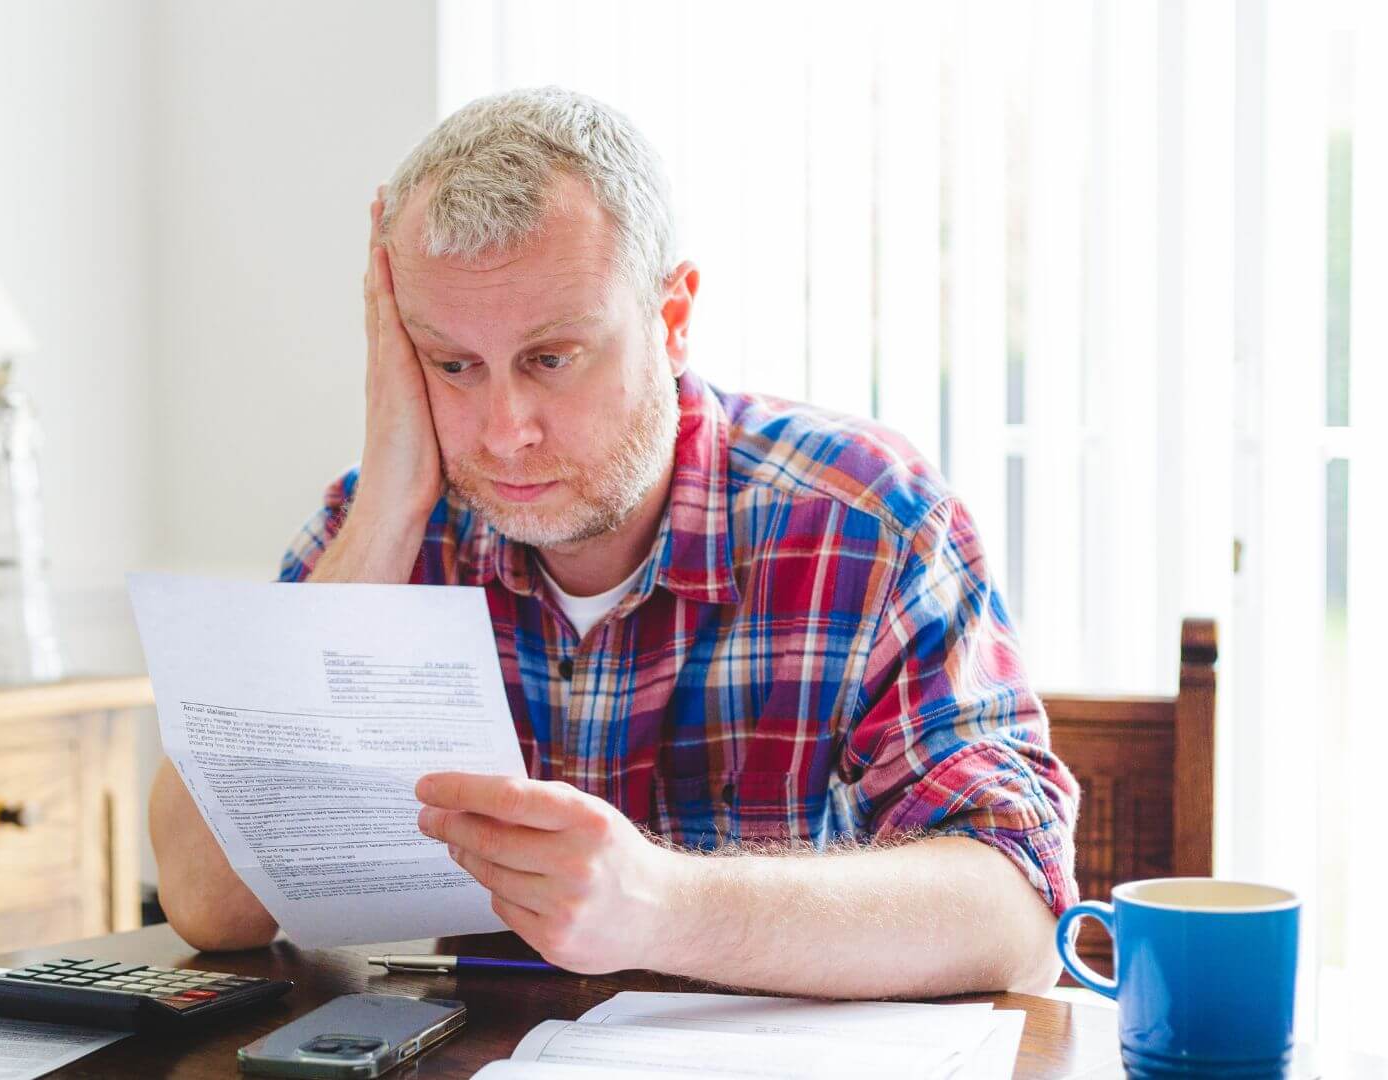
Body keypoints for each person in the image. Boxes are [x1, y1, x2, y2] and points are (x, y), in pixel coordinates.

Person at [150, 86, 1078, 997]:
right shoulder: (381, 526)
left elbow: (1016, 915)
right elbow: (207, 905)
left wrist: (666, 905)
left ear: (671, 319)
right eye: (454, 364)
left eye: (551, 358)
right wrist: (388, 511)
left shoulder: (865, 521)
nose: (505, 429)